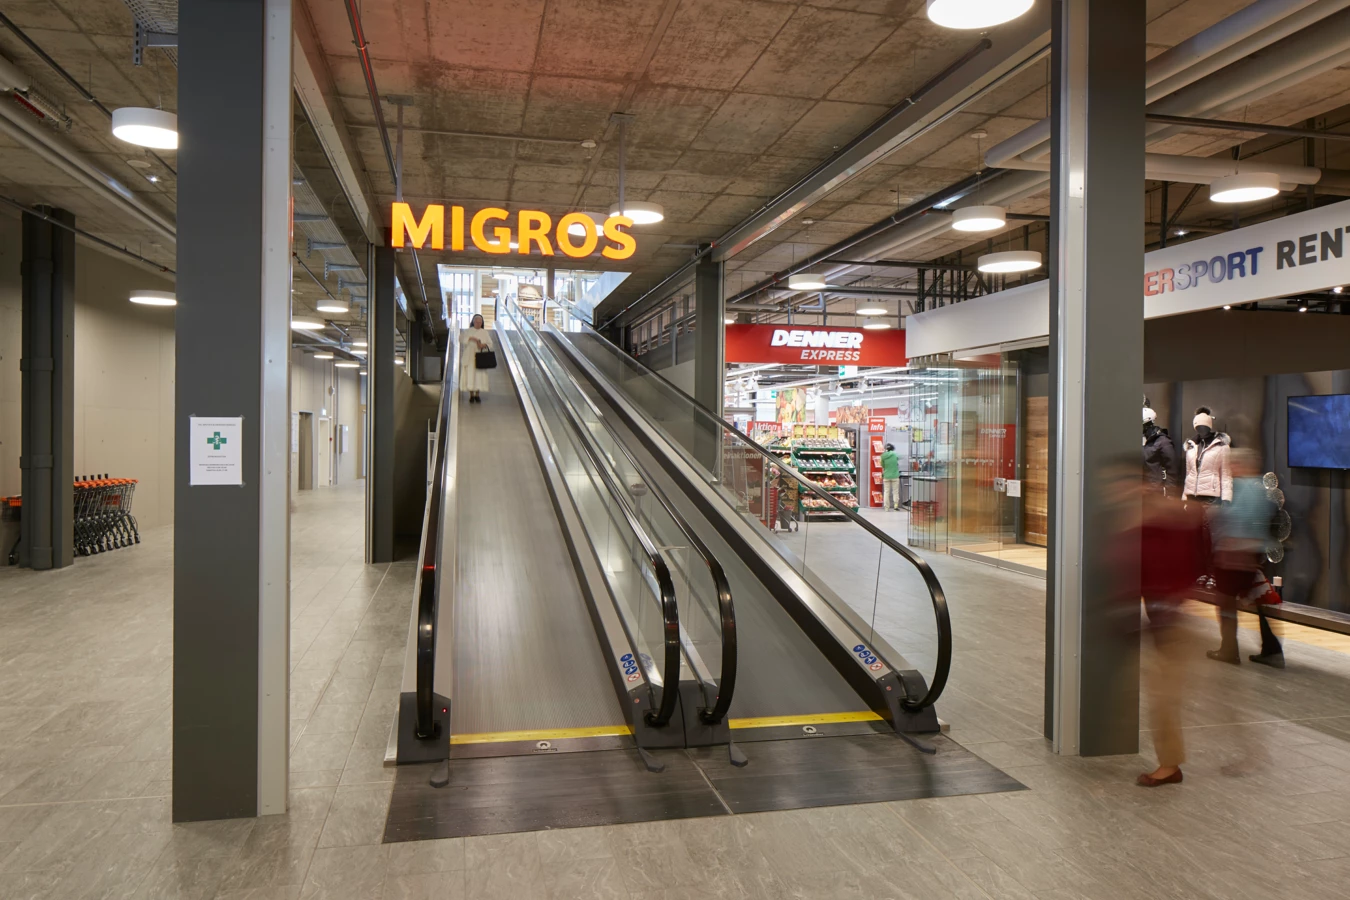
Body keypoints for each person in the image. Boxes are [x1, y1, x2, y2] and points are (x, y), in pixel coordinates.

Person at [1137, 485, 1206, 787]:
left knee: (1163, 697)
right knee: (1161, 696)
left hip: (1172, 623)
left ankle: (1169, 765)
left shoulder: (1163, 526)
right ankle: (1170, 762)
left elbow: (1178, 571)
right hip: (1163, 621)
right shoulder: (1153, 526)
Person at [1207, 448, 1282, 666]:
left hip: (1234, 553)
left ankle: (1229, 650)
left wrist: (1214, 514)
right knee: (1259, 601)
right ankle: (1271, 649)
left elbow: (1237, 519)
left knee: (1226, 602)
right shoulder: (1260, 489)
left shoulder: (1243, 487)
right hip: (1251, 553)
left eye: (1232, 464)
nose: (1230, 469)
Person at [460, 314, 492, 403]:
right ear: (473, 322)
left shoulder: (484, 332)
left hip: (480, 355)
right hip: (470, 356)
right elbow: (461, 339)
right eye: (477, 322)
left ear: (482, 323)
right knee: (470, 374)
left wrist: (483, 345)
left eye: (480, 322)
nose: (478, 323)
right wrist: (471, 338)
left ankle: (477, 395)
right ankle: (471, 395)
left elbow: (490, 343)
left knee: (479, 375)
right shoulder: (468, 331)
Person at [880, 443, 901, 511]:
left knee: (886, 491)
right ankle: (895, 505)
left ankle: (886, 507)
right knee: (895, 491)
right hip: (895, 476)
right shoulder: (895, 454)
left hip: (886, 476)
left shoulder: (883, 456)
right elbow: (899, 458)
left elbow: (882, 465)